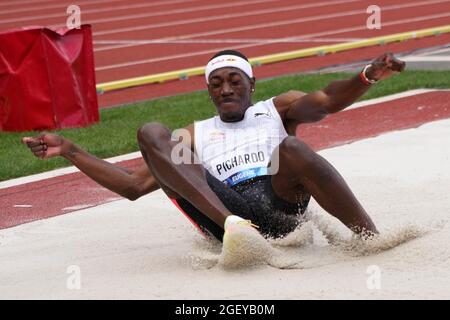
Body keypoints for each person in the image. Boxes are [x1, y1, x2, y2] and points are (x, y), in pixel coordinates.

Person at [23, 50, 405, 242]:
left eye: (235, 81)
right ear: (209, 91)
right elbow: (134, 186)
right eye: (217, 83)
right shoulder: (195, 134)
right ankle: (236, 230)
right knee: (154, 131)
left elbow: (327, 100)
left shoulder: (277, 108)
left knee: (292, 149)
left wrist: (367, 76)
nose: (226, 89)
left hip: (281, 204)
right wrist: (69, 149)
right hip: (225, 211)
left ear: (251, 85)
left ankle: (369, 238)